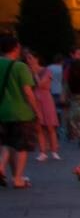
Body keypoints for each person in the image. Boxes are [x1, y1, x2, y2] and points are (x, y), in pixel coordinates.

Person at [0, 36, 39, 188]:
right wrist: (36, 111)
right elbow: (28, 92)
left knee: (6, 144)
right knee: (21, 146)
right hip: (21, 112)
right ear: (16, 48)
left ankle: (2, 167)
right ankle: (17, 178)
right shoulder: (20, 67)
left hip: (2, 112)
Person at [27, 50, 60, 161]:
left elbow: (41, 84)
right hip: (34, 98)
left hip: (45, 98)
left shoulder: (46, 70)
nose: (29, 60)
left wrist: (35, 72)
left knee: (50, 126)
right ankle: (42, 152)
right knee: (39, 127)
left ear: (37, 59)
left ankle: (54, 150)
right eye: (27, 58)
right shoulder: (27, 71)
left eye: (31, 58)